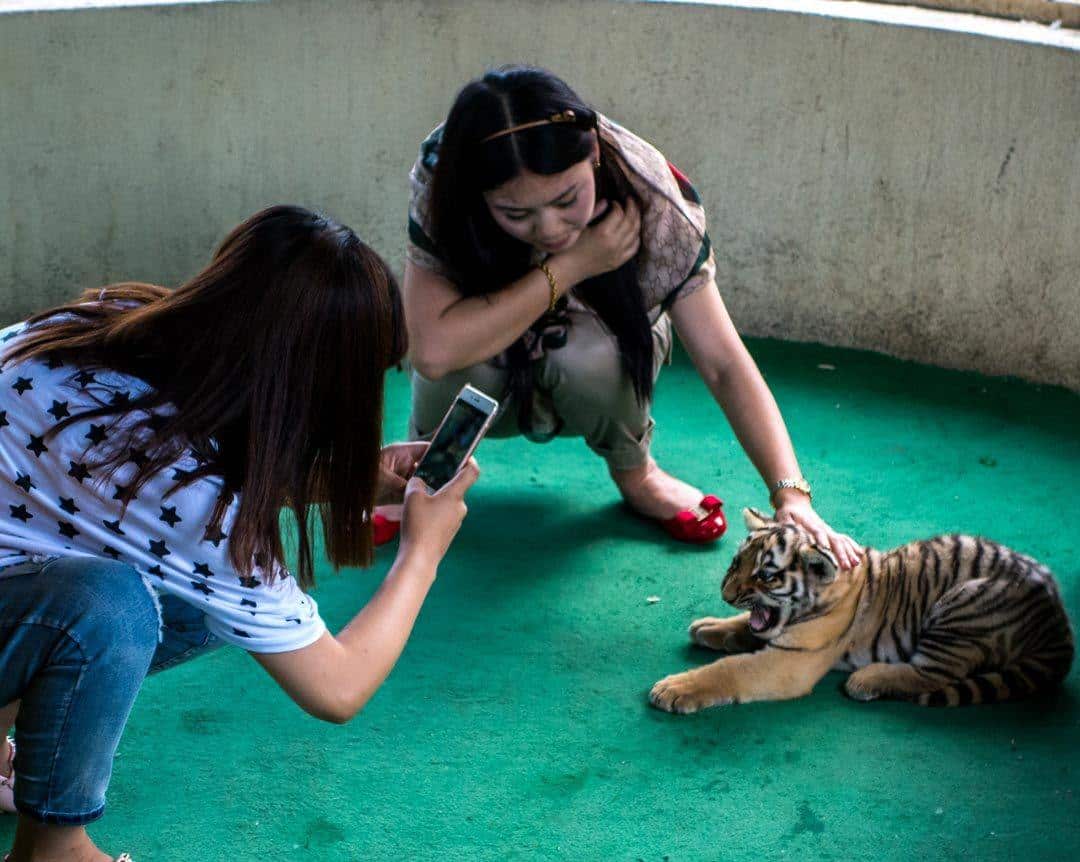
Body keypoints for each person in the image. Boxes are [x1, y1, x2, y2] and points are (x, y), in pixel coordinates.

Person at [0, 206, 477, 862]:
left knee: (182, 604)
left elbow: (132, 486)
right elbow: (336, 688)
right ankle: (52, 851)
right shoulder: (188, 498)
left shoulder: (106, 322)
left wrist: (354, 479)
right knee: (111, 607)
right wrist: (423, 551)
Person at [381, 66, 859, 562]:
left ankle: (638, 475)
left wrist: (791, 494)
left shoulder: (649, 190)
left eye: (567, 199)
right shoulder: (446, 172)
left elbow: (722, 361)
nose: (549, 227)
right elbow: (433, 353)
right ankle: (428, 474)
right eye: (515, 214)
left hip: (595, 358)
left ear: (592, 152)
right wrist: (572, 265)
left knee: (589, 356)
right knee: (463, 355)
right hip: (487, 357)